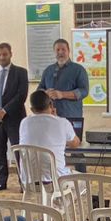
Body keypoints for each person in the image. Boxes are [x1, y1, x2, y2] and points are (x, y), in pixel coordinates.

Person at [0, 42, 28, 192]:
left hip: (14, 119)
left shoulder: (21, 72)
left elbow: (21, 95)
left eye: (4, 54)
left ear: (10, 54)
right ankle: (1, 182)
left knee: (18, 151)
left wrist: (5, 111)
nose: (1, 57)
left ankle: (24, 182)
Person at [39, 38, 88, 172]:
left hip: (71, 117)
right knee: (52, 148)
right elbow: (39, 90)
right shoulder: (48, 70)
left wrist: (62, 94)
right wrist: (45, 93)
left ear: (69, 51)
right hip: (50, 118)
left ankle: (82, 180)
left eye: (63, 50)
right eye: (58, 50)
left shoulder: (78, 70)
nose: (60, 52)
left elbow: (84, 91)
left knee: (76, 149)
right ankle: (55, 178)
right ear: (54, 52)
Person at [17, 89, 80, 180]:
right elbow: (75, 143)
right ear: (51, 105)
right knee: (83, 182)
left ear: (32, 109)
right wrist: (56, 117)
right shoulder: (62, 122)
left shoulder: (24, 122)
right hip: (56, 181)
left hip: (29, 181)